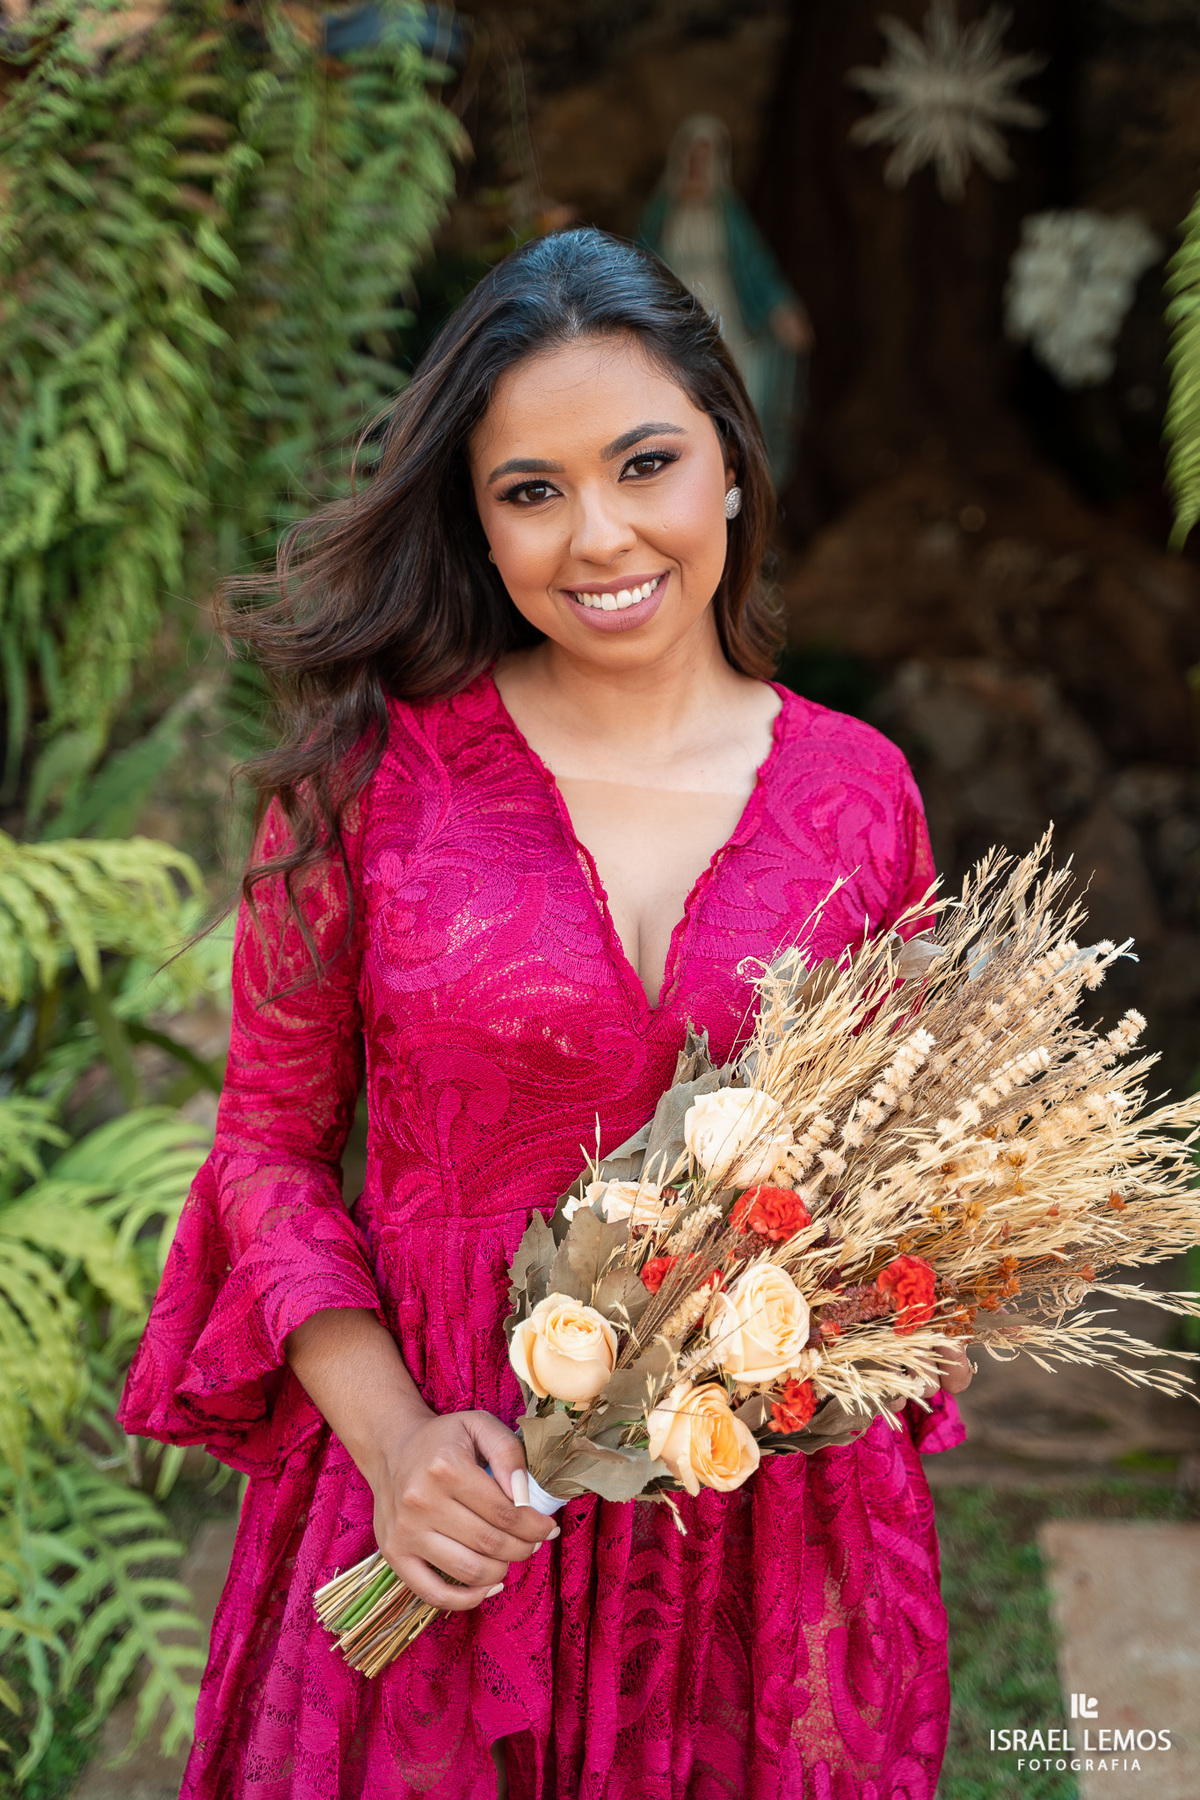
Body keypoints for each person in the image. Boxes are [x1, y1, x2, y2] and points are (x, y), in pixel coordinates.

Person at [120, 227, 971, 1800]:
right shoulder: (365, 785)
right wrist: (394, 1447)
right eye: (533, 492)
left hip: (750, 1525)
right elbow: (266, 1148)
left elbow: (901, 1194)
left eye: (645, 463)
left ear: (730, 461)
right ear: (483, 526)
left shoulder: (863, 798)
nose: (599, 535)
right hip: (441, 1506)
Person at [639, 115, 813, 488]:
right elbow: (639, 261)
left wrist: (780, 307)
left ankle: (735, 473)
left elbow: (755, 265)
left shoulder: (728, 214)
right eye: (693, 157)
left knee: (733, 383)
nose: (698, 167)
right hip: (676, 311)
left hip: (723, 312)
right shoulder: (662, 211)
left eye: (707, 158)